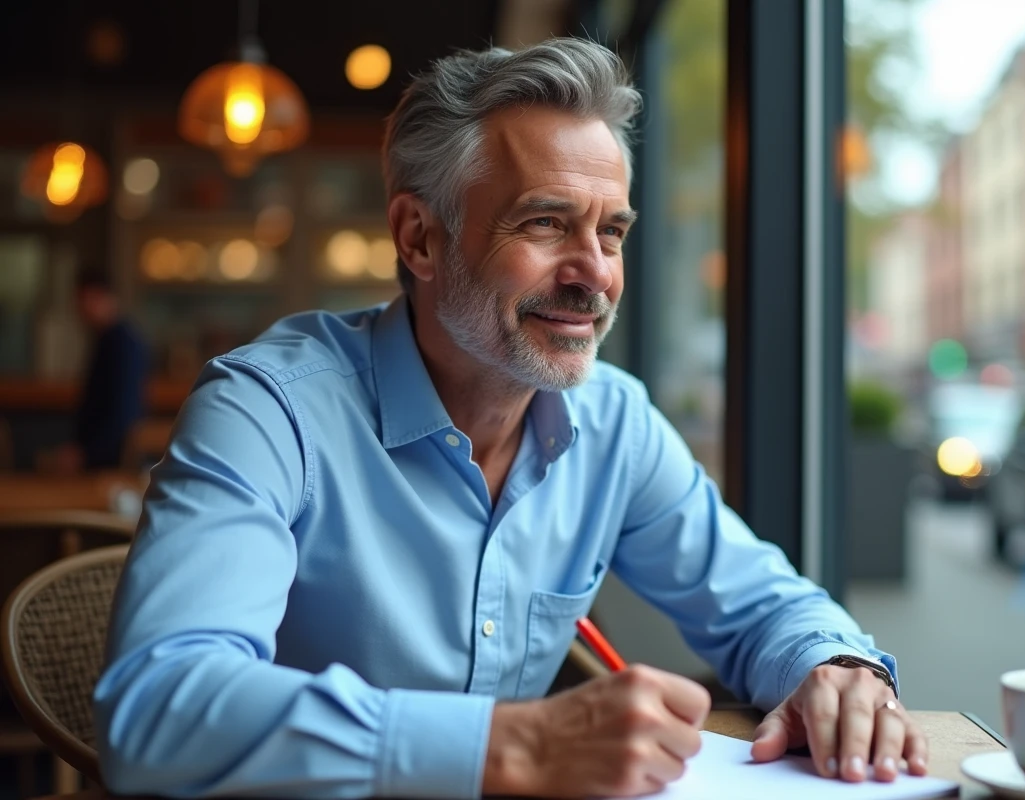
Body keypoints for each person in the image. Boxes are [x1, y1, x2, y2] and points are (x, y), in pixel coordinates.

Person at [95, 39, 928, 800]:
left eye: (613, 231)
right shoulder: (268, 410)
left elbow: (759, 605)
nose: (595, 275)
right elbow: (157, 711)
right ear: (420, 239)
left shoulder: (614, 423)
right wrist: (512, 745)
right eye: (545, 223)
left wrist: (838, 664)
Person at [51, 269, 147, 473]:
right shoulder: (105, 340)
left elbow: (123, 412)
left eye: (83, 300)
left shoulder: (123, 343)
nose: (79, 309)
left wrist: (86, 454)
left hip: (109, 463)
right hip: (95, 457)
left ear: (102, 297)